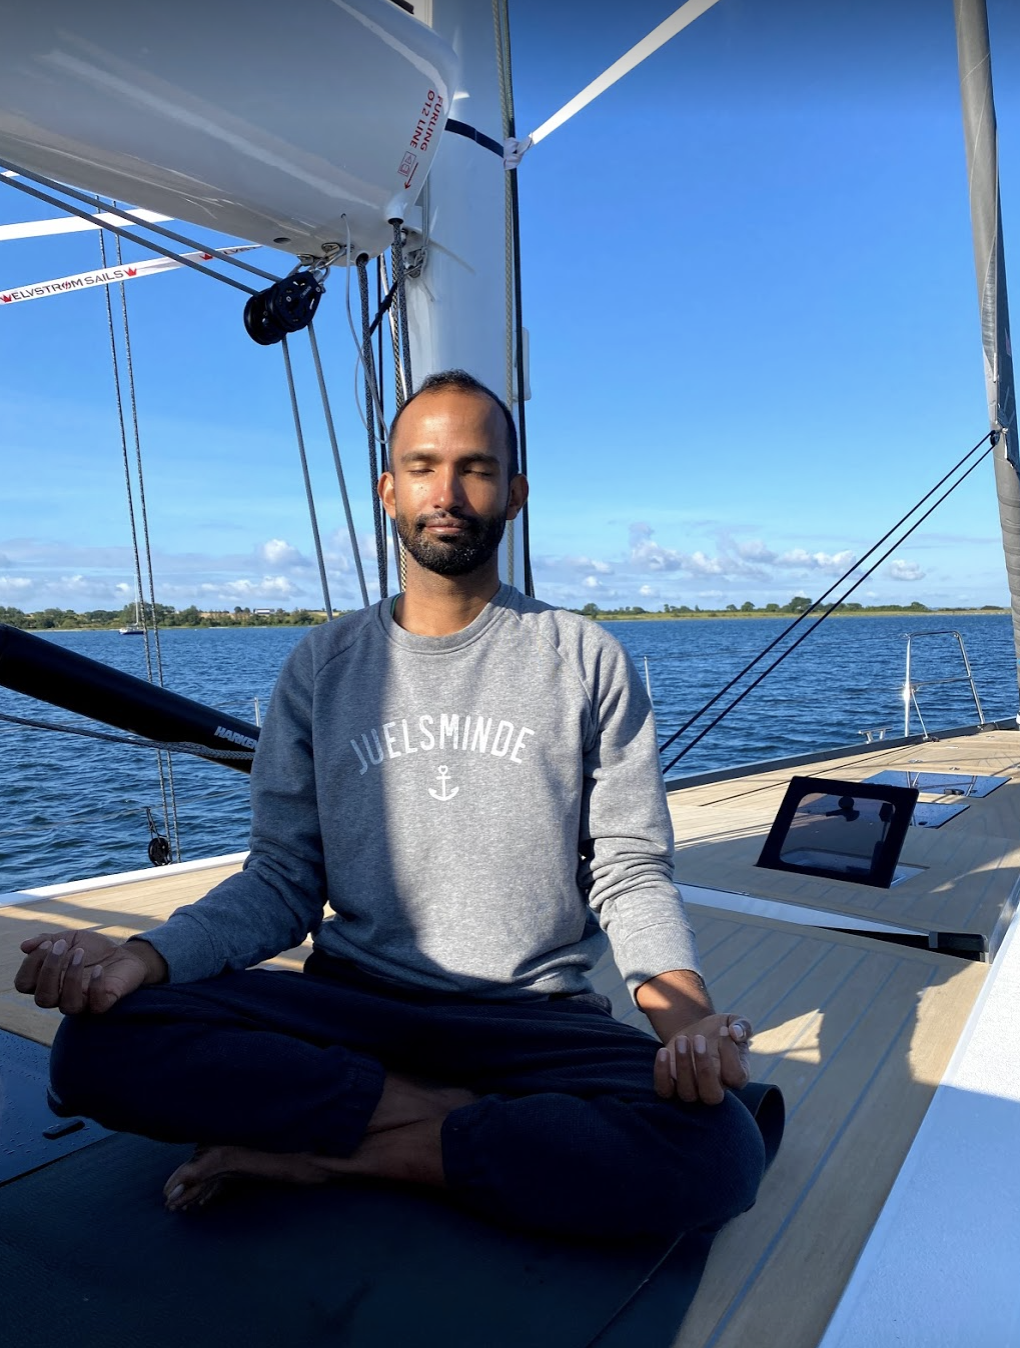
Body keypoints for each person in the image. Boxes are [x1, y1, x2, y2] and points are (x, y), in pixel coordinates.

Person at [15, 371, 773, 1243]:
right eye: (422, 467)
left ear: (515, 494)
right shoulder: (323, 665)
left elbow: (628, 871)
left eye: (476, 468)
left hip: (529, 1020)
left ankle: (349, 1149)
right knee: (98, 1045)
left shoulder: (583, 658)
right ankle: (454, 1121)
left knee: (720, 1150)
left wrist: (688, 1023)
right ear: (388, 491)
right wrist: (142, 959)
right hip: (353, 1005)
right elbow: (282, 880)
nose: (447, 493)